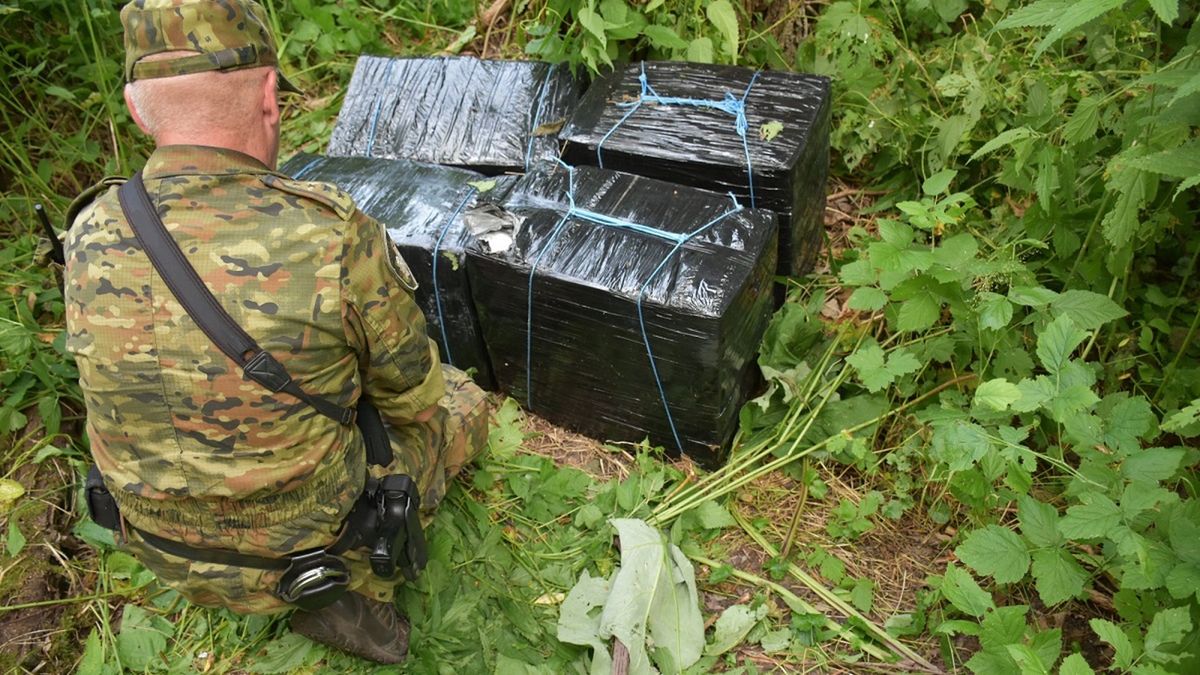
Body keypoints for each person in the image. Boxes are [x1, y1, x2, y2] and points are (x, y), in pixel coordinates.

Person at [62, 0, 489, 664]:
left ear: (138, 108)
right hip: (312, 542)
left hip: (161, 548)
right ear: (269, 95)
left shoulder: (88, 230)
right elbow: (413, 397)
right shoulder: (329, 233)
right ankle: (346, 588)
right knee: (460, 403)